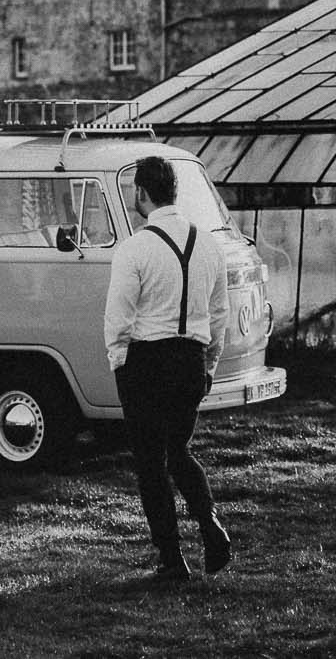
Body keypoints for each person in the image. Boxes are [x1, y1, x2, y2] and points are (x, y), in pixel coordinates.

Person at [104, 155, 232, 583]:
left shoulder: (135, 247)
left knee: (150, 462)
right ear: (175, 191)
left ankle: (171, 558)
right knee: (178, 450)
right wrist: (209, 364)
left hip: (147, 362)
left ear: (141, 193)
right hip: (191, 361)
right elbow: (219, 316)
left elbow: (118, 318)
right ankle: (210, 523)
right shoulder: (210, 246)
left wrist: (118, 363)